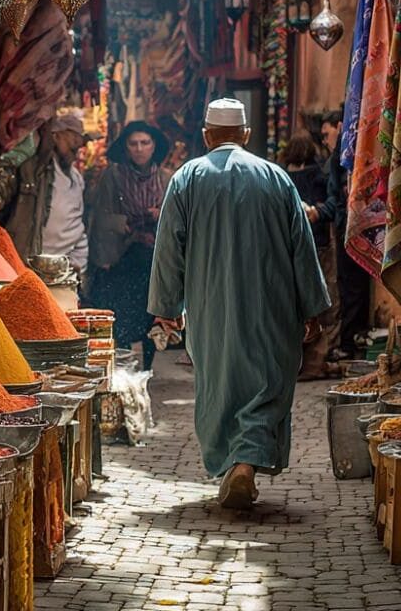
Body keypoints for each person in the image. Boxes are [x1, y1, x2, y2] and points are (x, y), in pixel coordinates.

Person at [149, 99, 330, 510]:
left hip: (210, 308)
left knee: (220, 384)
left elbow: (168, 250)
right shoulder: (276, 177)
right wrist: (312, 306)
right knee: (267, 384)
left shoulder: (186, 179)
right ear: (246, 135)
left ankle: (238, 462)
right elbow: (302, 247)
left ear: (206, 135)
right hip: (273, 305)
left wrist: (166, 306)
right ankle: (246, 461)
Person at [86, 121, 172, 370]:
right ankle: (123, 368)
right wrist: (123, 223)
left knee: (150, 316)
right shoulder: (113, 176)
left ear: (154, 146)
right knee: (122, 316)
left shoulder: (166, 178)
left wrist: (160, 215)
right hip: (122, 257)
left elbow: (178, 218)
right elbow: (100, 216)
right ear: (126, 147)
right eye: (133, 144)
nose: (139, 149)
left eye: (145, 143)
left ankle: (147, 368)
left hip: (154, 259)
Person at [0, 113, 98, 269]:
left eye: (80, 142)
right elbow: (5, 175)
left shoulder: (76, 179)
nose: (78, 146)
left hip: (62, 268)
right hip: (28, 262)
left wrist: (79, 261)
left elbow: (77, 223)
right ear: (56, 136)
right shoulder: (35, 170)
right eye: (74, 139)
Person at [279, 132, 340, 380]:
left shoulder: (280, 176)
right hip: (318, 244)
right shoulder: (318, 174)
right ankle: (316, 362)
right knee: (322, 303)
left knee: (294, 305)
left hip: (289, 248)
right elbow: (331, 204)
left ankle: (295, 363)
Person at [322, 109, 370, 361]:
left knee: (351, 284)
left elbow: (337, 193)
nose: (324, 140)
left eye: (326, 133)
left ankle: (351, 341)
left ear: (339, 126)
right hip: (350, 222)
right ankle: (352, 339)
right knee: (350, 284)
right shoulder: (343, 150)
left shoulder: (346, 148)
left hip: (352, 223)